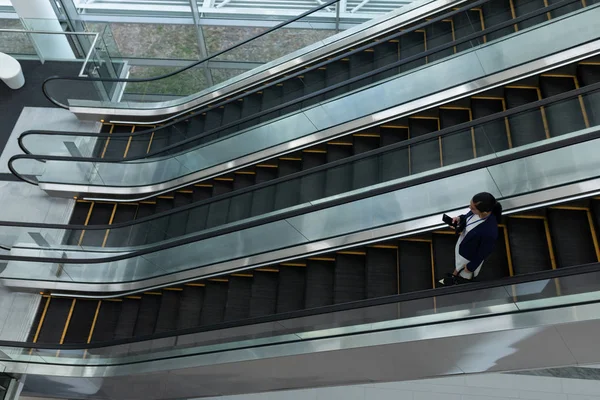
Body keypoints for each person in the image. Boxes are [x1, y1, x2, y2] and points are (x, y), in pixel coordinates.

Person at [439, 192, 502, 286]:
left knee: (462, 271)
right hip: (464, 244)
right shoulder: (476, 212)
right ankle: (454, 276)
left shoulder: (490, 231)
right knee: (459, 265)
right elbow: (467, 217)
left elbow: (484, 252)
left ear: (484, 212)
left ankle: (455, 281)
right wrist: (459, 219)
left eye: (472, 208)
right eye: (470, 204)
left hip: (469, 255)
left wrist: (471, 267)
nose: (469, 208)